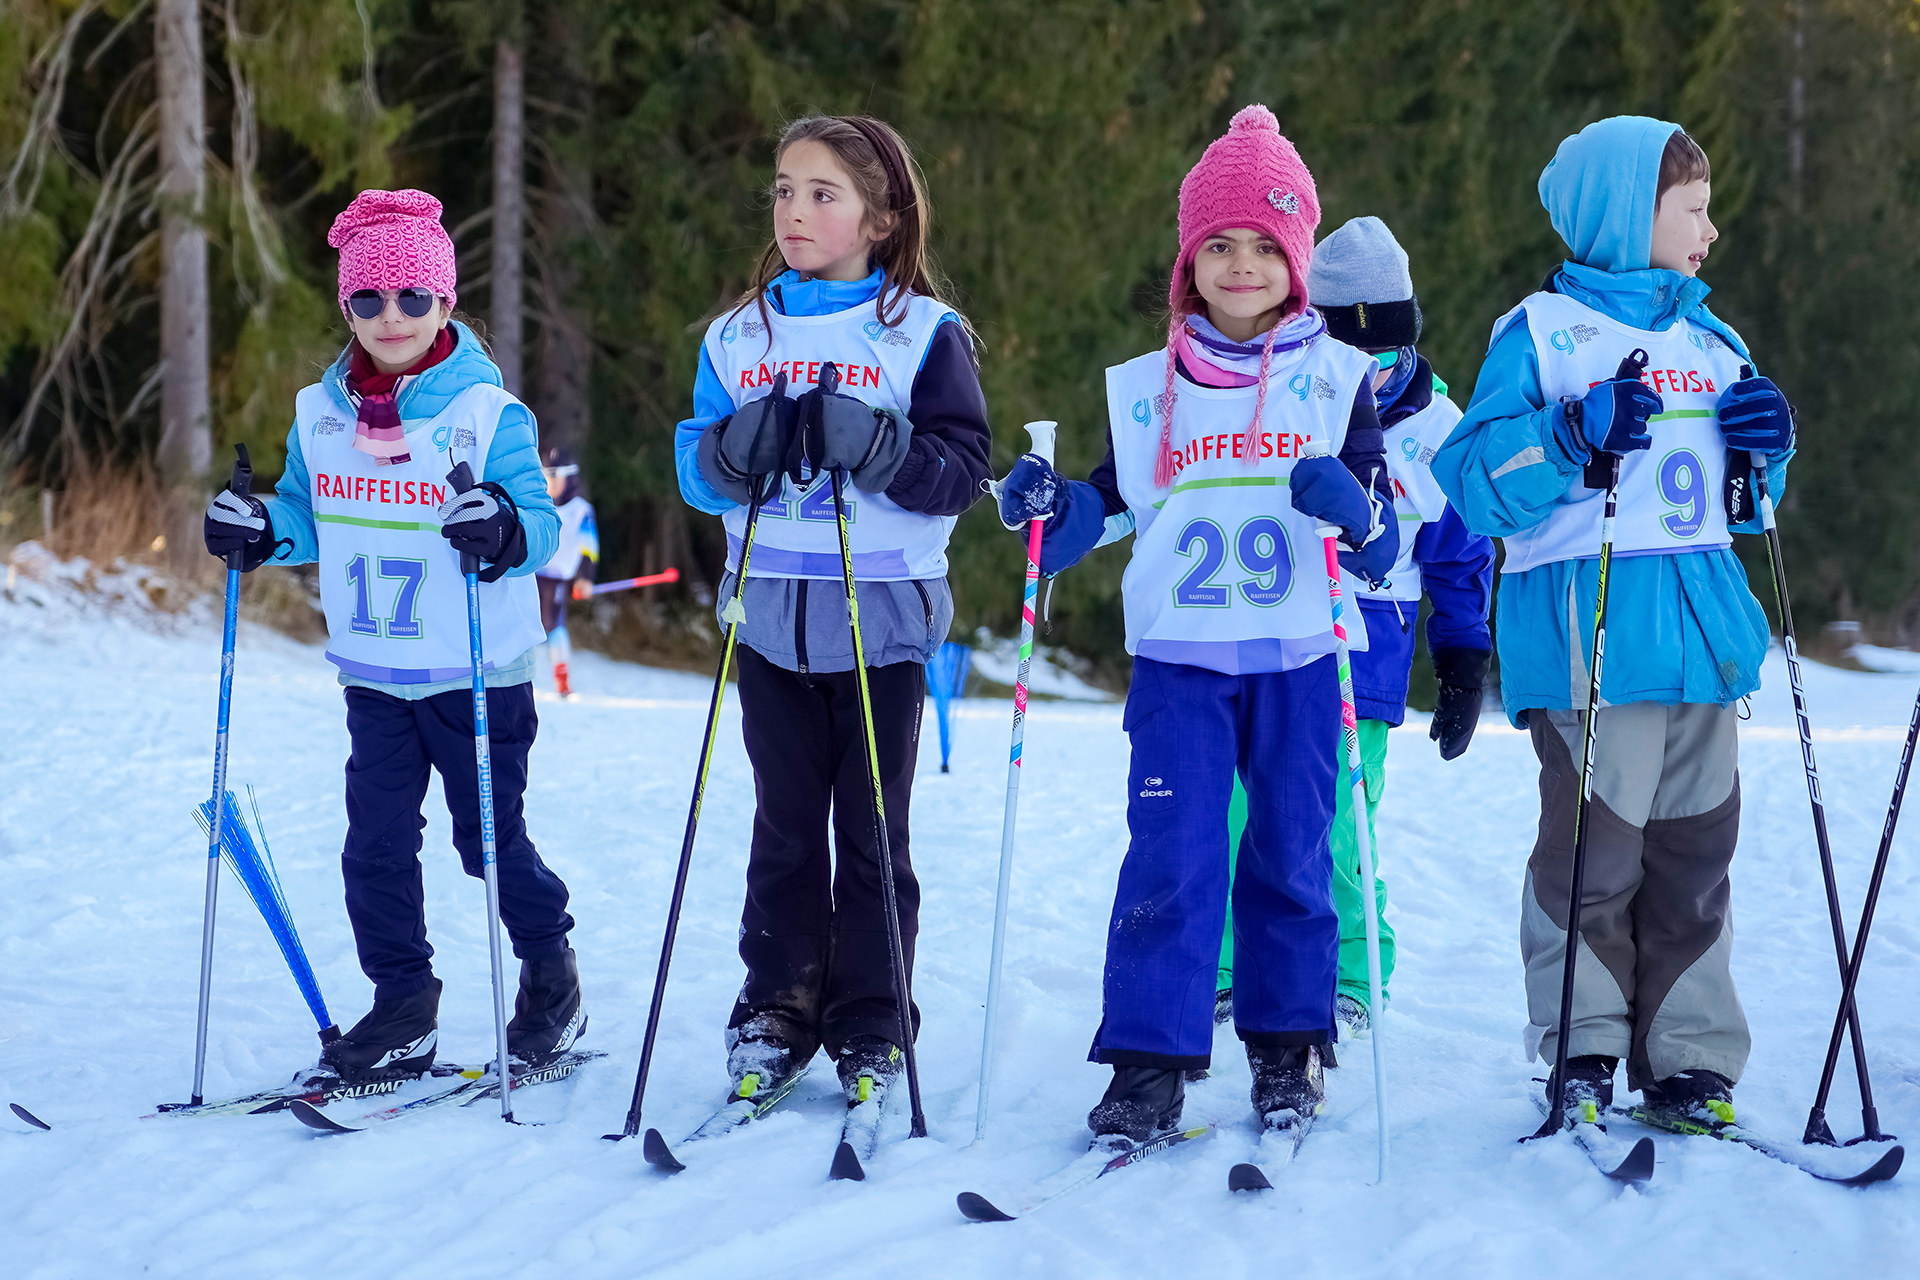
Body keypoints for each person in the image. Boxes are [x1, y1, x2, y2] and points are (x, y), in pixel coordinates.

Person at [996, 106, 1398, 1145]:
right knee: (1170, 855)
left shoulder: (1339, 381)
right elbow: (1102, 503)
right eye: (1219, 243)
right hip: (1180, 661)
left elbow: (1381, 531)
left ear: (1298, 258)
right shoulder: (1147, 391)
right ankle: (1147, 1061)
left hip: (1303, 659)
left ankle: (1288, 1045)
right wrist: (1045, 505)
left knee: (1289, 854)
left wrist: (1352, 507)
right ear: (1189, 259)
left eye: (1266, 244)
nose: (1242, 264)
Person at [1433, 118, 1795, 1123]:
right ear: (1626, 217)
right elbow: (1473, 481)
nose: (1711, 231)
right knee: (1595, 859)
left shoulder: (1712, 341)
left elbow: (1743, 501)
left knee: (1695, 861)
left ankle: (1689, 1054)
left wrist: (1770, 449)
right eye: (1693, 210)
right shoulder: (1543, 334)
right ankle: (1583, 1046)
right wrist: (1570, 430)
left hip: (1705, 644)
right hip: (1593, 638)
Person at [202, 188, 584, 1084]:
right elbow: (304, 511)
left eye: (414, 297)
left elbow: (540, 524)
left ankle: (551, 971)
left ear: (446, 304)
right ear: (348, 307)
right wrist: (258, 529)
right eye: (369, 299)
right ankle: (404, 1005)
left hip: (476, 672)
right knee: (373, 843)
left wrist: (501, 526)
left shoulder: (490, 415)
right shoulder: (319, 413)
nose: (392, 316)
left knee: (486, 841)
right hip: (374, 671)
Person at [673, 116, 991, 1116]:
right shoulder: (738, 333)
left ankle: (871, 1015)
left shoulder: (923, 333)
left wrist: (881, 445)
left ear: (884, 218)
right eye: (782, 190)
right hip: (768, 618)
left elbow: (962, 472)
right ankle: (776, 1006)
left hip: (880, 625)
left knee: (870, 831)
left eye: (822, 193)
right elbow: (691, 468)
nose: (795, 210)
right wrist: (737, 446)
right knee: (782, 831)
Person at [1212, 217, 1496, 1046]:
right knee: (1240, 808)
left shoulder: (1439, 429)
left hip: (1368, 651)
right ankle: (1235, 970)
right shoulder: (1289, 401)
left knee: (1339, 820)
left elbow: (1460, 553)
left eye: (1389, 355)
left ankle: (1353, 974)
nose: (1372, 373)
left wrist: (1464, 657)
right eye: (1356, 353)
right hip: (1275, 629)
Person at [534, 445, 598, 698]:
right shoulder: (538, 503)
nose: (549, 482)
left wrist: (585, 578)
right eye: (545, 476)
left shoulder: (580, 511)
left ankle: (561, 676)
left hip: (557, 578)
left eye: (554, 476)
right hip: (530, 574)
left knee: (553, 625)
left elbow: (589, 550)